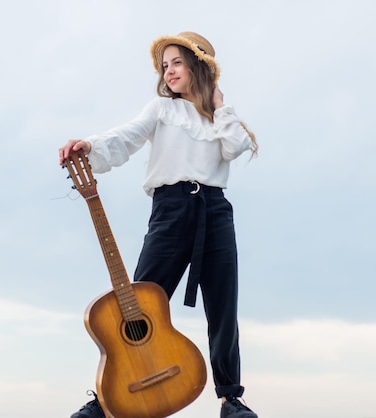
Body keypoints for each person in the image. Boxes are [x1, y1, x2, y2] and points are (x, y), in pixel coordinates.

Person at [58, 31, 258, 418]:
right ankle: (105, 400)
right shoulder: (161, 109)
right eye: (165, 65)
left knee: (222, 305)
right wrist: (91, 145)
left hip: (215, 211)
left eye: (177, 62)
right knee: (136, 306)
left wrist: (220, 105)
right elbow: (128, 136)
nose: (168, 71)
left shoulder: (221, 118)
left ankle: (230, 399)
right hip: (170, 209)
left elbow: (234, 148)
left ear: (199, 66)